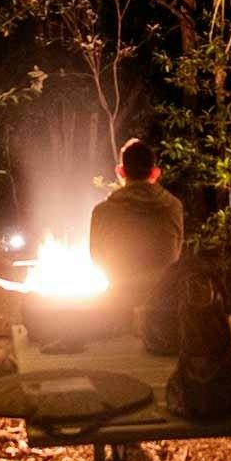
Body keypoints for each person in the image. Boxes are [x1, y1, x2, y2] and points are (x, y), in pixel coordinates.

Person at [88, 136, 185, 324]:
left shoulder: (102, 212)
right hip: (163, 308)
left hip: (118, 308)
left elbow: (97, 259)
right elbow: (176, 254)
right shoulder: (173, 206)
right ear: (155, 173)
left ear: (120, 172)